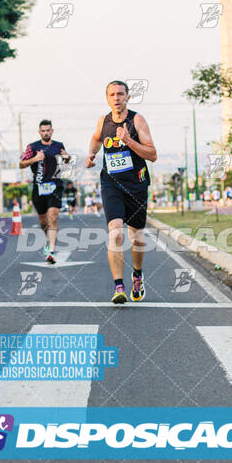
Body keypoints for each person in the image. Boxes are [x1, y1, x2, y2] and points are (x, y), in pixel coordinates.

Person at [85, 80, 157, 304]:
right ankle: (119, 287)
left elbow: (152, 154)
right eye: (112, 94)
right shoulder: (103, 121)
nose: (116, 98)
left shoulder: (137, 120)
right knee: (115, 232)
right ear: (107, 98)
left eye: (120, 94)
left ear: (127, 97)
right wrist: (91, 154)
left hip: (136, 184)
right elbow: (97, 138)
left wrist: (129, 141)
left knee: (135, 238)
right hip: (111, 183)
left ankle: (137, 275)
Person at [19, 119, 70, 264]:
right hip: (39, 187)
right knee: (43, 221)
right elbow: (21, 164)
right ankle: (49, 240)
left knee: (52, 217)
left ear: (52, 131)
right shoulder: (32, 147)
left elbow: (66, 167)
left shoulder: (58, 146)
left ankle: (52, 251)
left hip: (55, 186)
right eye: (43, 131)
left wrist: (66, 157)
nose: (46, 133)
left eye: (48, 130)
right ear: (39, 132)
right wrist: (35, 158)